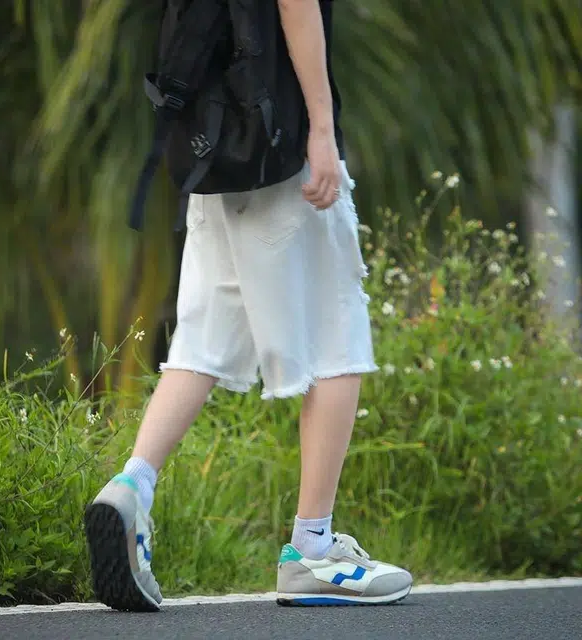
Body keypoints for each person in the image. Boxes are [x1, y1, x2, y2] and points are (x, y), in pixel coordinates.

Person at [84, 0, 412, 611]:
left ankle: (132, 487)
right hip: (279, 149)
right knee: (338, 336)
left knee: (202, 341)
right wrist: (322, 129)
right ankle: (313, 550)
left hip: (220, 149)